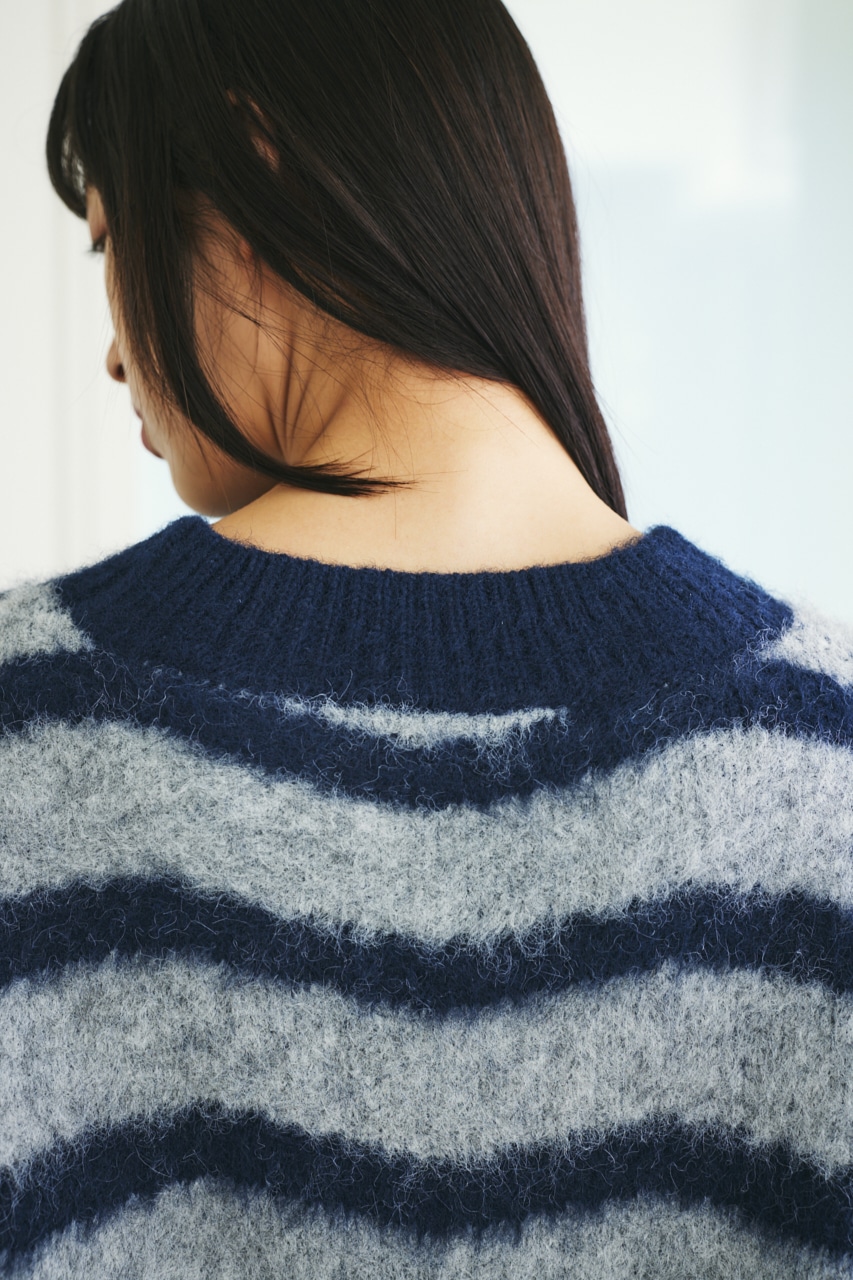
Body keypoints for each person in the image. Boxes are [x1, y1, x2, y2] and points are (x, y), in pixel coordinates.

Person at [0, 0, 851, 1275]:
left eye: (112, 245)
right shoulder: (827, 758)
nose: (118, 355)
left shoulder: (24, 727)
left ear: (253, 164)